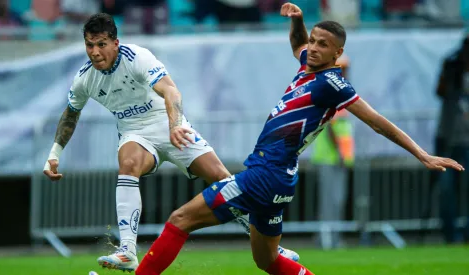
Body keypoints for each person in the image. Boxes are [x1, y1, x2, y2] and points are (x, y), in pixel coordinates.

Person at [134, 3, 464, 275]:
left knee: (180, 219)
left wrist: (422, 154)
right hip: (278, 180)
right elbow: (297, 45)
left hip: (263, 176)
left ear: (339, 53)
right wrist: (298, 21)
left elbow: (377, 122)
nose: (314, 48)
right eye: (314, 41)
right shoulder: (309, 66)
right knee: (267, 261)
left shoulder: (332, 84)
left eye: (323, 45)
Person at [41, 13, 299, 272]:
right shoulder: (85, 78)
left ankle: (271, 248)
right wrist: (54, 153)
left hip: (168, 123)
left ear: (115, 42)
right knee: (128, 163)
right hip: (135, 134)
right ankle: (128, 250)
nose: (95, 52)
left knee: (222, 180)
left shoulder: (137, 57)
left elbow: (170, 90)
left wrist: (175, 126)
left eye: (101, 44)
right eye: (89, 45)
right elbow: (70, 114)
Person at [311, 54, 354, 249]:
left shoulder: (340, 91)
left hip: (337, 158)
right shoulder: (332, 91)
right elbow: (330, 127)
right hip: (330, 158)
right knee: (330, 202)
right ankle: (327, 240)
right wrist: (340, 153)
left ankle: (331, 239)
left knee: (336, 200)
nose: (344, 72)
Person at [434, 34, 469, 243]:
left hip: (465, 140)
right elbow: (439, 91)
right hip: (447, 139)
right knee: (447, 190)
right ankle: (450, 233)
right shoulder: (451, 68)